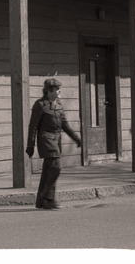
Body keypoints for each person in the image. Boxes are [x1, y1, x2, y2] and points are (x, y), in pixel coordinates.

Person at [26, 78, 82, 210]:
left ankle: (41, 201)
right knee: (56, 166)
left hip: (56, 140)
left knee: (48, 170)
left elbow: (65, 125)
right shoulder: (40, 105)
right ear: (49, 91)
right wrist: (30, 145)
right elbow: (33, 126)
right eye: (57, 89)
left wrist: (76, 138)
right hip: (45, 139)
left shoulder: (59, 104)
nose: (59, 91)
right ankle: (49, 198)